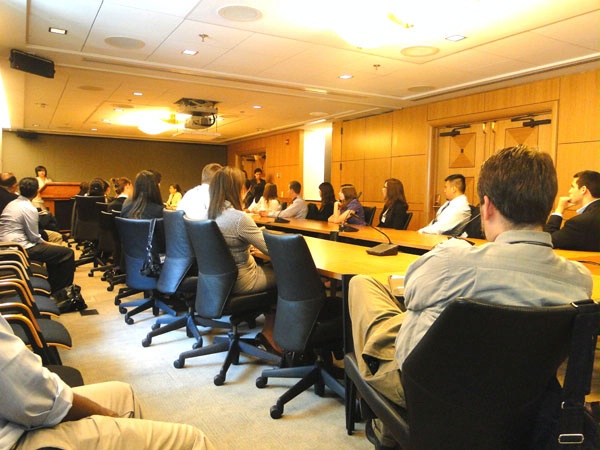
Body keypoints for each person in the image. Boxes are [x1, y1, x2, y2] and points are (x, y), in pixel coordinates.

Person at [348, 145, 592, 450]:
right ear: (547, 208)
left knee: (364, 287)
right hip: (519, 397)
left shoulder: (454, 264)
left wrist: (449, 250)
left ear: (487, 207)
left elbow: (411, 293)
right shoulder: (579, 280)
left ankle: (384, 422)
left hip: (428, 392)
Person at [0, 315, 215, 450]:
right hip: (14, 440)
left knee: (123, 394)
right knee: (191, 440)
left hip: (13, 415)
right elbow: (36, 401)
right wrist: (105, 414)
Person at [208, 166, 279, 353]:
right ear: (237, 189)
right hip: (243, 281)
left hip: (216, 283)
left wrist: (246, 243)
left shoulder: (209, 215)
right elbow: (273, 250)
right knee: (286, 277)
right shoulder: (239, 219)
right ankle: (272, 332)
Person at [0, 177, 75, 294]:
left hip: (9, 245)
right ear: (36, 192)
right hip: (20, 248)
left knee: (55, 252)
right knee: (67, 253)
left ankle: (54, 286)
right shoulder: (29, 208)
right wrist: (51, 244)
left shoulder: (13, 204)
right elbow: (34, 238)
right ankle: (62, 291)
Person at [544, 170, 600, 251]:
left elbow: (547, 241)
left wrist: (559, 210)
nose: (569, 191)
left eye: (572, 187)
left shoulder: (580, 223)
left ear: (583, 189)